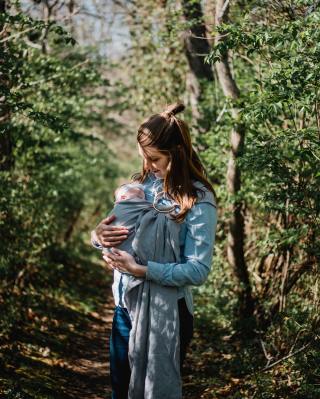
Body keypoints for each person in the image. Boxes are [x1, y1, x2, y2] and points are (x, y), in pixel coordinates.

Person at [91, 102, 218, 399]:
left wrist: (142, 270)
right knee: (120, 392)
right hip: (125, 309)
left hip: (168, 313)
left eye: (155, 159)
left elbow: (198, 270)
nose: (148, 166)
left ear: (176, 153)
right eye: (144, 158)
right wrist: (96, 235)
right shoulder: (139, 186)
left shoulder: (198, 199)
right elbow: (110, 232)